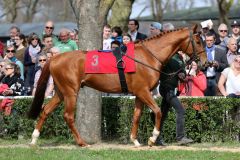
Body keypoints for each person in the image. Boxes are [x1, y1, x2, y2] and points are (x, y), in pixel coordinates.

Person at [157, 52, 193, 146]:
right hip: (166, 88)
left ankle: (156, 137)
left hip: (172, 88)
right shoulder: (169, 56)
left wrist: (183, 75)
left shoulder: (180, 58)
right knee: (180, 110)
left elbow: (182, 72)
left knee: (163, 114)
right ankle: (180, 137)